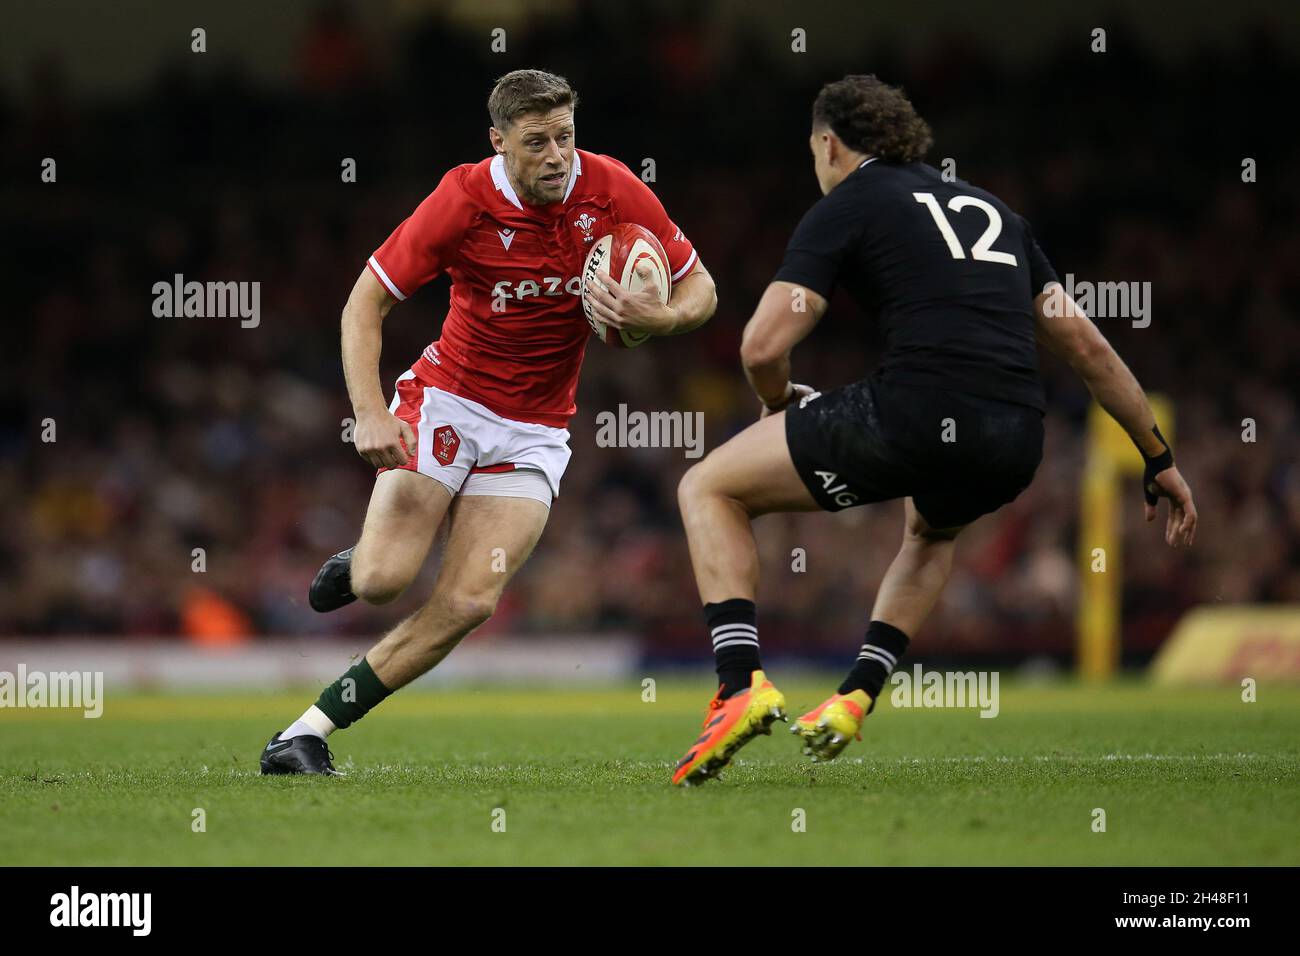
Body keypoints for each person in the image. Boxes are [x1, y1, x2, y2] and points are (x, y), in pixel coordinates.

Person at [670, 75, 1196, 786]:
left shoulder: (850, 200)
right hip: (1014, 438)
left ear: (829, 144)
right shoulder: (996, 212)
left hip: (918, 413)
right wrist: (1157, 454)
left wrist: (779, 400)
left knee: (708, 487)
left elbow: (762, 347)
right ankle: (856, 694)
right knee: (930, 531)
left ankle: (739, 686)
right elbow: (1089, 349)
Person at [261, 69, 716, 775]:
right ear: (499, 142)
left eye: (565, 136)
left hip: (535, 429)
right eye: (537, 142)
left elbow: (702, 287)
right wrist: (370, 413)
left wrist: (666, 316)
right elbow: (363, 305)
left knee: (470, 600)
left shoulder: (613, 188)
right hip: (449, 402)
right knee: (384, 581)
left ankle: (304, 734)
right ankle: (362, 564)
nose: (558, 156)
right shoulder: (462, 199)